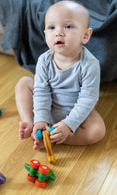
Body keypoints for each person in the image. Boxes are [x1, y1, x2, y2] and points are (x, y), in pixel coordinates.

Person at [15, 0, 106, 150]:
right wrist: (40, 119)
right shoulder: (44, 60)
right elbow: (41, 92)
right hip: (46, 107)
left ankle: (57, 137)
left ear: (85, 35)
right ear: (45, 34)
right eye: (51, 27)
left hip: (74, 110)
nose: (58, 32)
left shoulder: (90, 64)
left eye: (68, 26)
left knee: (97, 131)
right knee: (24, 83)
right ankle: (31, 124)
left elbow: (87, 99)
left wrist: (68, 125)